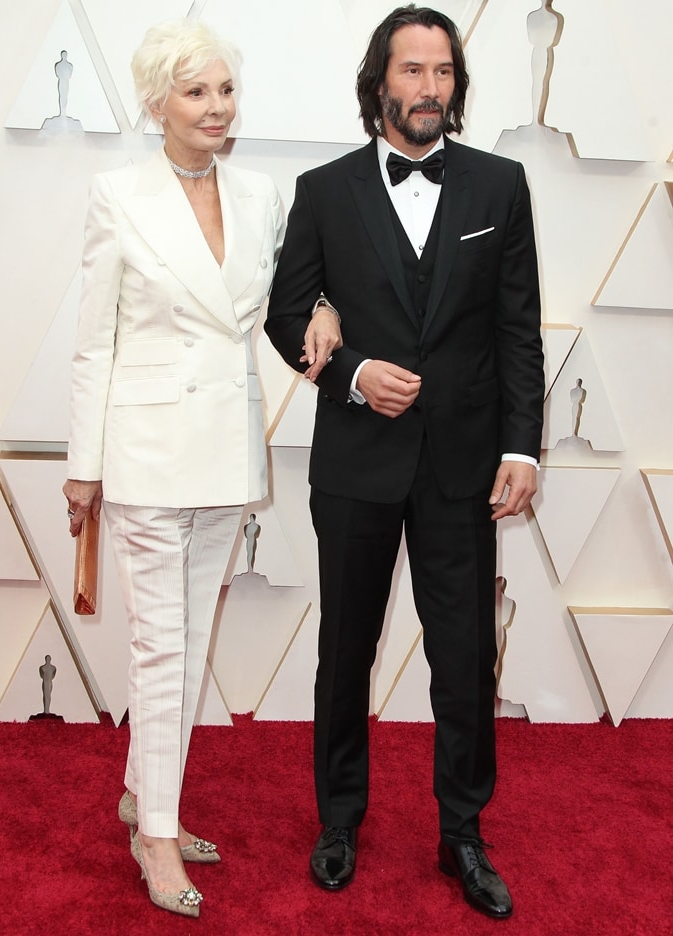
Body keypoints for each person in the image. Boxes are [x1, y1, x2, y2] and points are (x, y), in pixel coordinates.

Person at [265, 5, 544, 920]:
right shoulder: (324, 189)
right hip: (356, 463)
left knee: (463, 660)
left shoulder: (501, 188)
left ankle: (462, 831)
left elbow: (517, 331)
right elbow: (284, 313)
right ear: (378, 81)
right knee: (344, 651)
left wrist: (520, 445)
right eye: (412, 70)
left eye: (443, 72)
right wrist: (348, 374)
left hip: (465, 465)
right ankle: (338, 818)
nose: (429, 88)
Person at [63, 19, 284, 918]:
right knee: (161, 649)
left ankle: (141, 795)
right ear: (157, 103)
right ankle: (156, 831)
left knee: (188, 647)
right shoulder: (118, 195)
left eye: (225, 89)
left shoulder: (264, 193)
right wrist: (86, 467)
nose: (216, 108)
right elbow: (93, 341)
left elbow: (288, 297)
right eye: (196, 92)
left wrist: (329, 314)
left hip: (227, 452)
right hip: (147, 453)